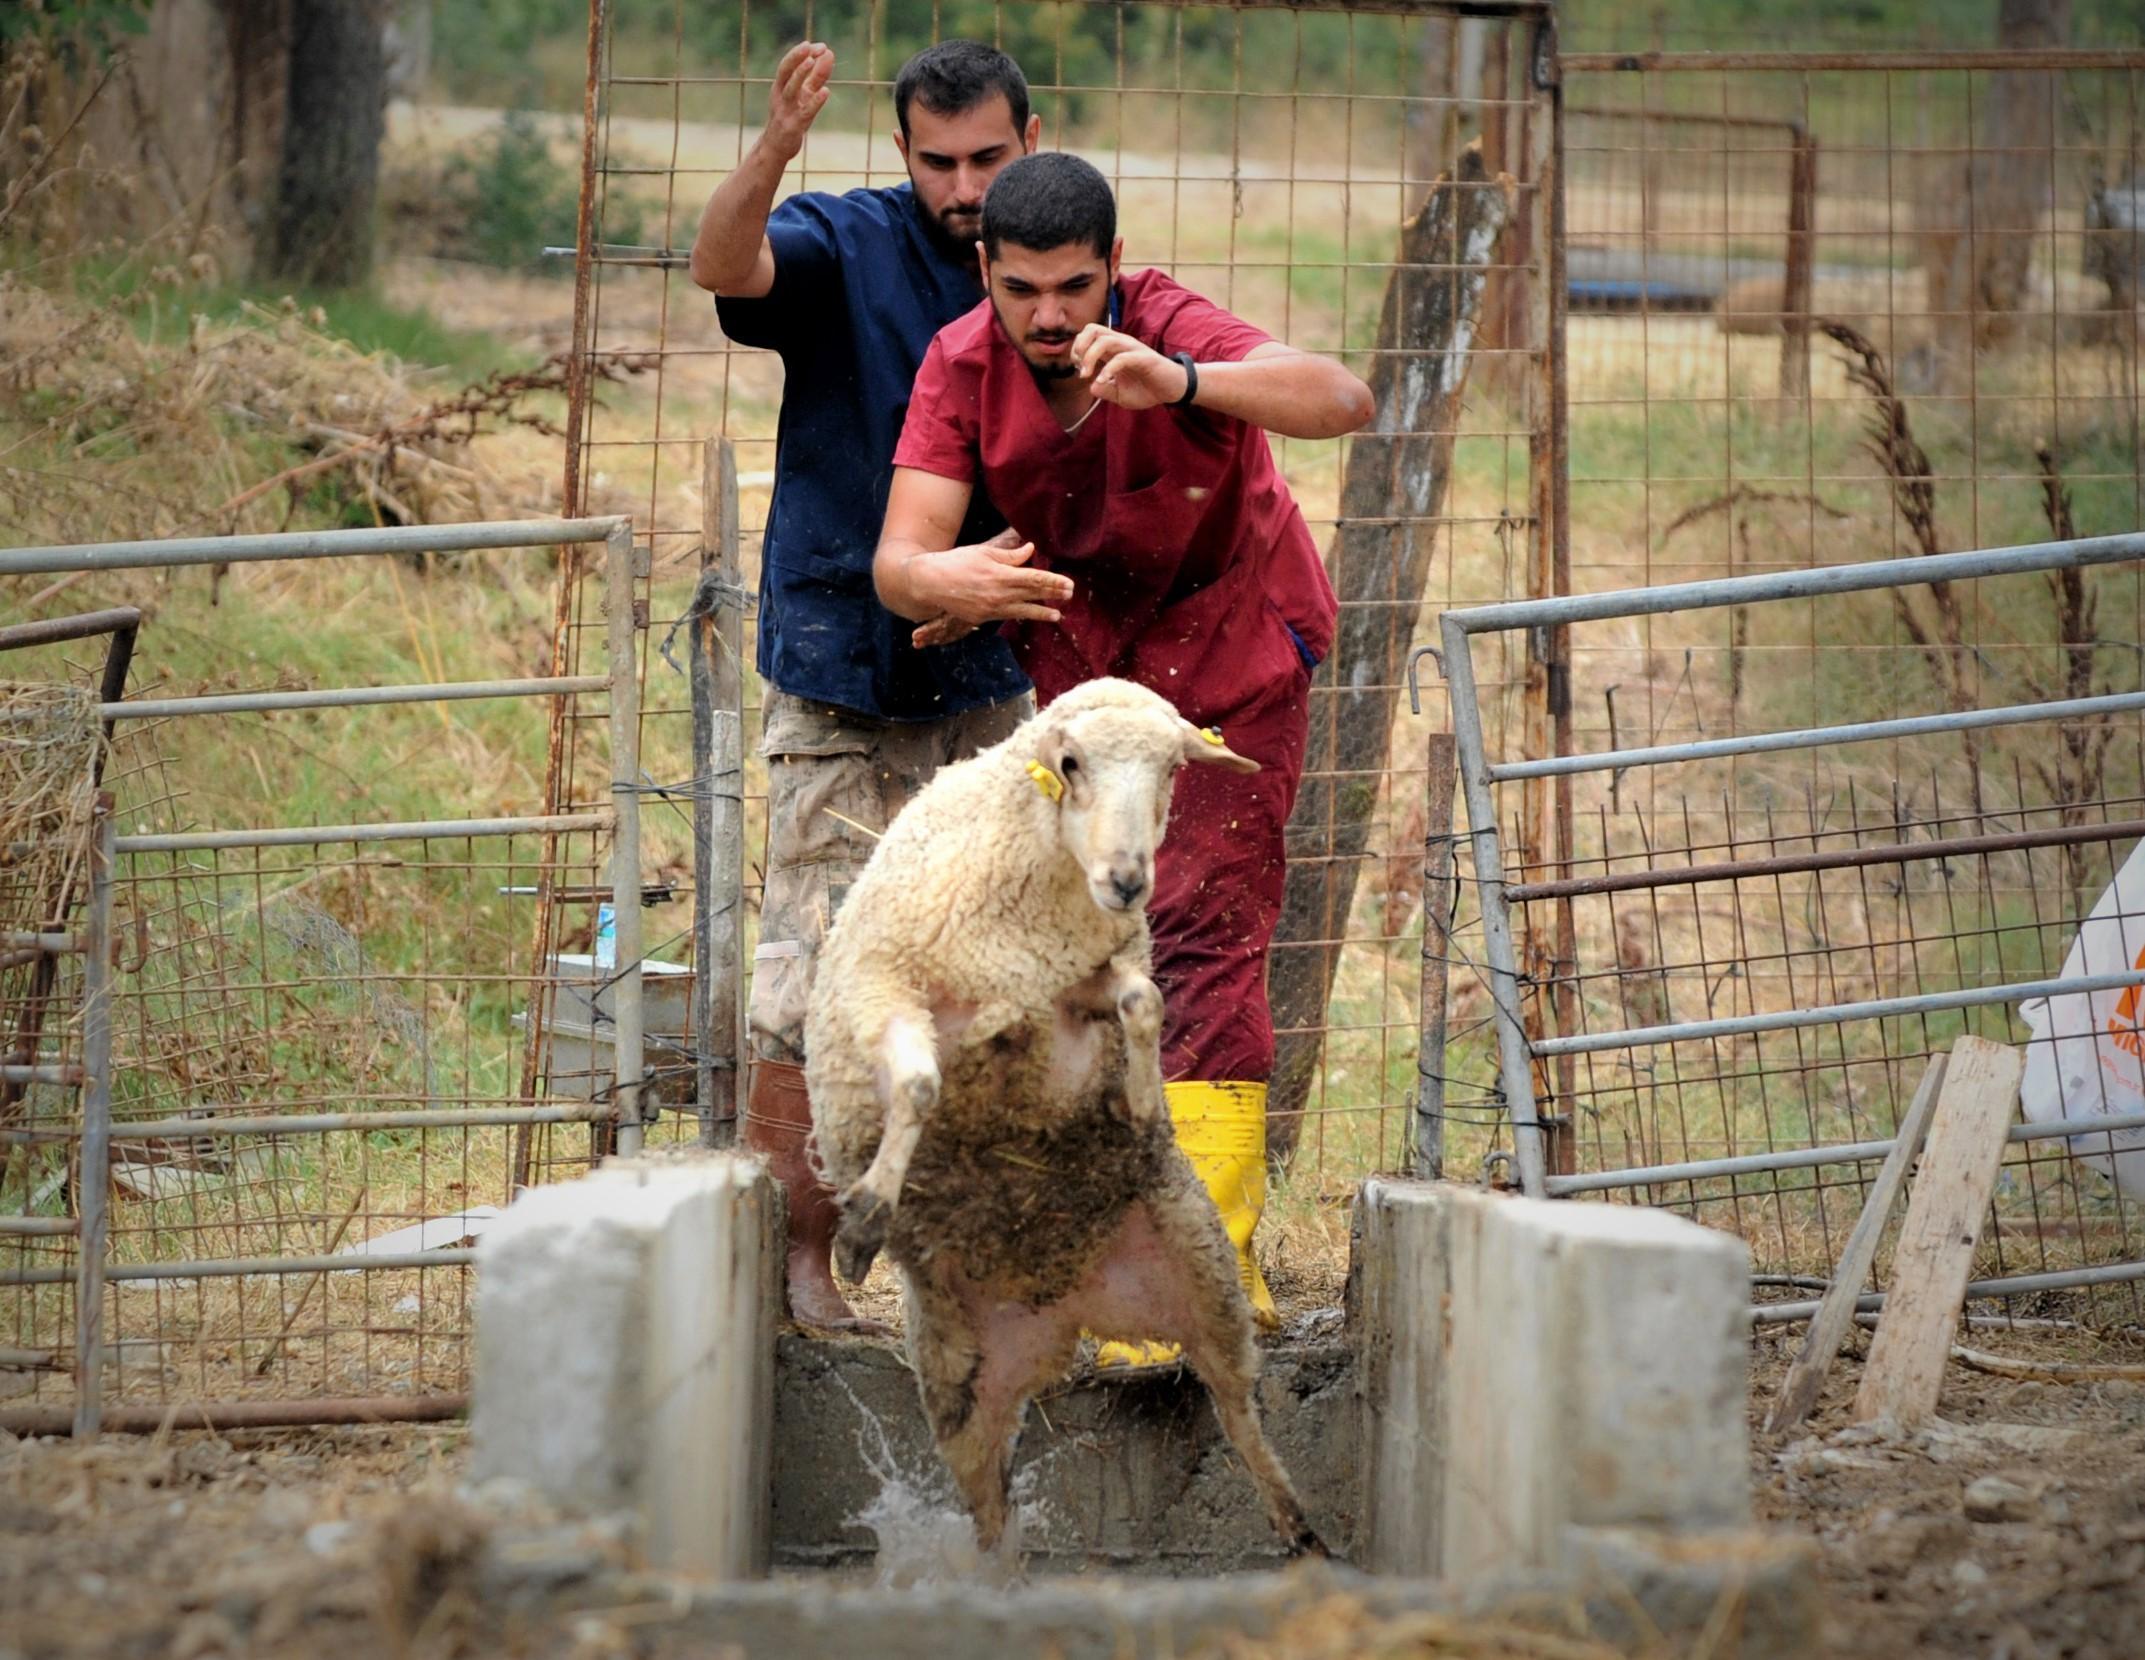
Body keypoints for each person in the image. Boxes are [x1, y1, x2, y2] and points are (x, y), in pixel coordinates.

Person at [874, 152, 1375, 1360]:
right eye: (1023, 289)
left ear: (1114, 267)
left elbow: (1341, 397)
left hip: (1232, 657)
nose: (1051, 316)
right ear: (984, 270)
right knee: (1095, 950)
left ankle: (1198, 1283)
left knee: (1206, 939)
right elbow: (901, 559)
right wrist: (950, 580)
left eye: (1076, 287)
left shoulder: (1164, 324)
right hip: (1091, 691)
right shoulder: (961, 364)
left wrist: (1184, 379)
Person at [688, 40, 1063, 1331]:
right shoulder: (845, 245)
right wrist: (772, 149)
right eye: (938, 162)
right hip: (840, 663)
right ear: (902, 153)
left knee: (987, 978)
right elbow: (723, 267)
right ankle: (798, 1258)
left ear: (1032, 141)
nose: (964, 188)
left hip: (991, 680)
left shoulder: (1058, 265)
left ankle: (962, 1265)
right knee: (808, 968)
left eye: (988, 159)